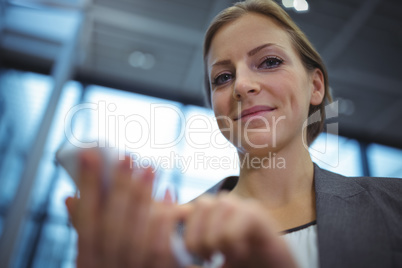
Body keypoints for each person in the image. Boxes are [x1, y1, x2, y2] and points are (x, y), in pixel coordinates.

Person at [65, 0, 402, 267]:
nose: (241, 85)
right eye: (222, 78)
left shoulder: (395, 205)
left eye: (269, 61)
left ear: (315, 86)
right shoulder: (165, 239)